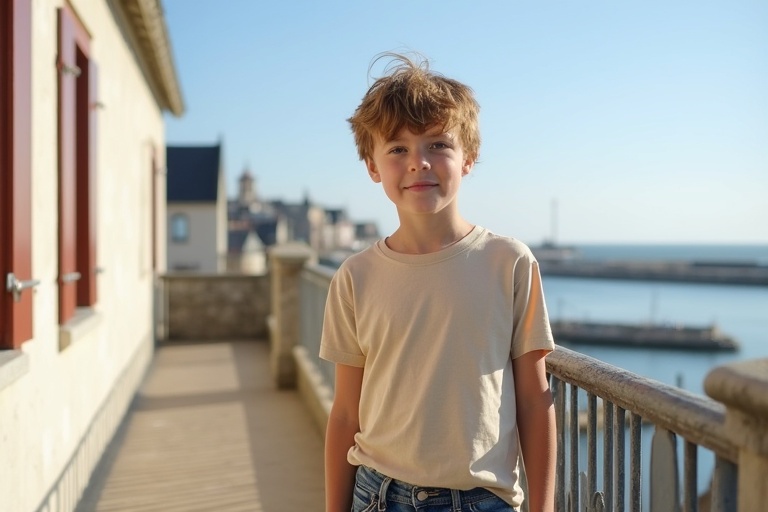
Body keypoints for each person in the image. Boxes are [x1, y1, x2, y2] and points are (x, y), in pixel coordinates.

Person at [320, 52, 556, 512]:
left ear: (468, 158)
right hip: (377, 495)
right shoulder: (355, 277)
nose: (418, 163)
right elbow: (346, 412)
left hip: (482, 500)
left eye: (437, 145)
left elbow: (534, 398)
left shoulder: (509, 263)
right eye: (397, 149)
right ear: (372, 167)